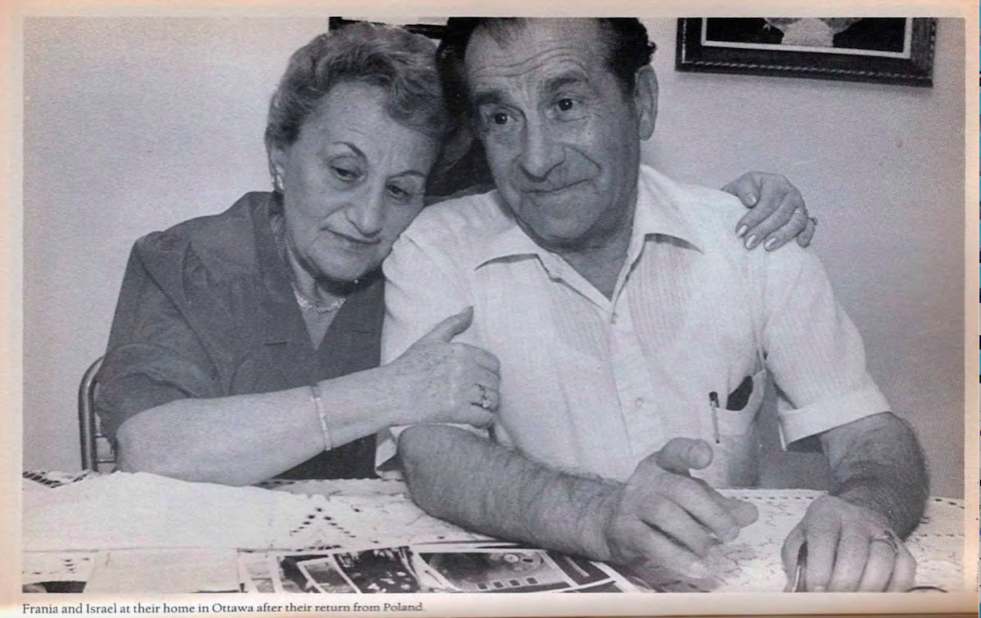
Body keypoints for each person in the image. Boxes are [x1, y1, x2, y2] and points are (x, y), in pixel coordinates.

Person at [95, 22, 812, 486]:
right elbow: (151, 449)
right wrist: (388, 392)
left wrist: (735, 205)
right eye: (344, 172)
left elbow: (562, 196)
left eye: (402, 187)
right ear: (279, 153)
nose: (370, 217)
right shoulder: (191, 259)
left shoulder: (430, 260)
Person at [380, 18, 928, 593]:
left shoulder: (750, 238)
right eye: (501, 118)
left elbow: (868, 435)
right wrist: (598, 517)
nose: (536, 159)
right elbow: (432, 451)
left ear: (640, 102)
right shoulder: (436, 249)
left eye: (565, 104)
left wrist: (866, 509)